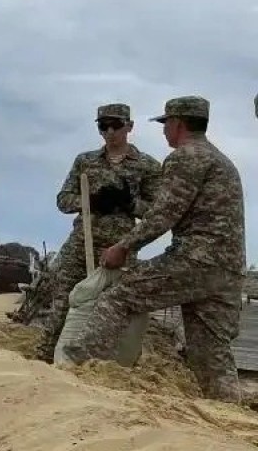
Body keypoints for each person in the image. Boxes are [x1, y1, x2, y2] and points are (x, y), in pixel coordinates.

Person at [60, 96, 246, 402]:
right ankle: (228, 416)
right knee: (212, 353)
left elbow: (164, 214)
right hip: (227, 270)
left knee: (118, 296)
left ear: (179, 124)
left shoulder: (186, 157)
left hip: (195, 260)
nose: (163, 131)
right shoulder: (221, 161)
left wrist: (123, 246)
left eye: (166, 124)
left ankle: (76, 371)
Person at [33, 103, 162, 361]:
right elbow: (63, 200)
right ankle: (46, 358)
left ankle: (105, 364)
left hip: (121, 245)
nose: (110, 132)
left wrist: (129, 204)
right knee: (65, 298)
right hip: (83, 240)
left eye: (116, 125)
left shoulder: (147, 166)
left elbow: (158, 210)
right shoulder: (86, 161)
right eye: (104, 126)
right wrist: (89, 201)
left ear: (129, 126)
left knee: (115, 303)